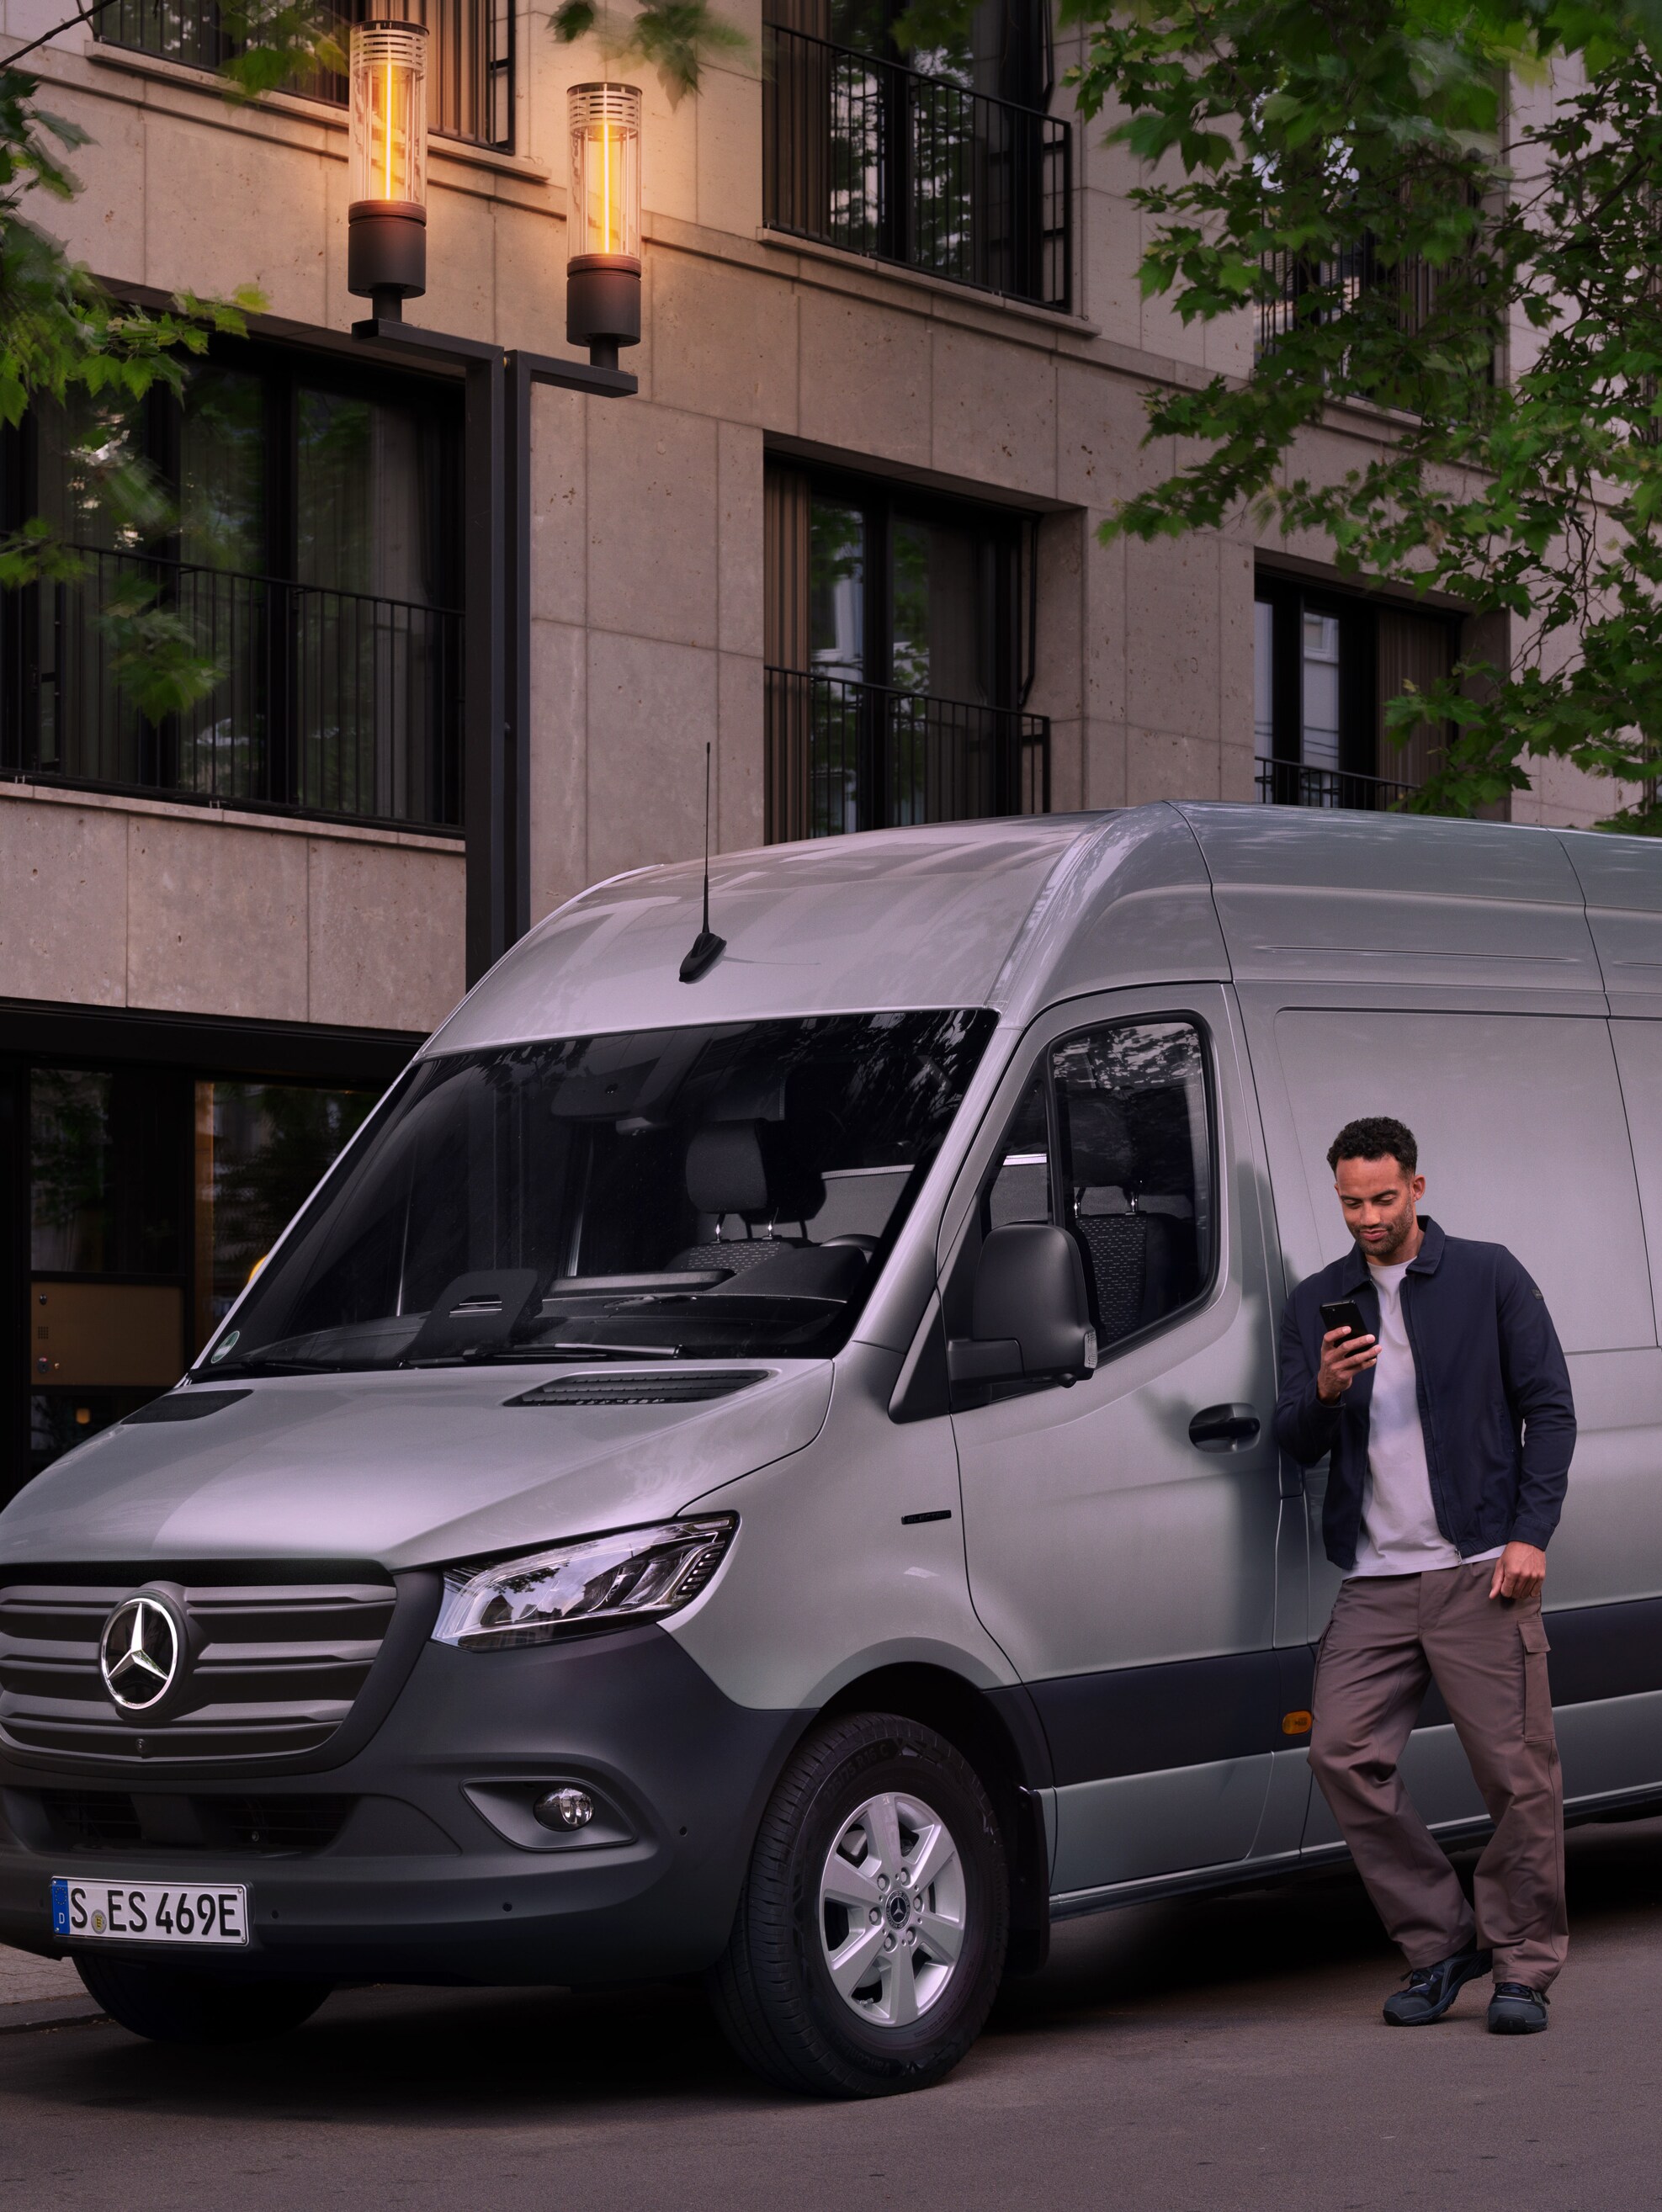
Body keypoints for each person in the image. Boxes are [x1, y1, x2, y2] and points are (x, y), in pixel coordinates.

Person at [1276, 1116, 1576, 2035]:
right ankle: (1440, 1944)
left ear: (1415, 1186)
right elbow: (1291, 1438)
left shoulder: (1488, 1274)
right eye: (1349, 1201)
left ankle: (1522, 1965)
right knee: (1340, 1752)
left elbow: (1550, 1410)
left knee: (1515, 1776)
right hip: (1374, 1578)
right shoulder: (1319, 1299)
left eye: (1380, 1197)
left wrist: (1529, 1535)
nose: (1365, 1217)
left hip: (1478, 1567)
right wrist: (1323, 1389)